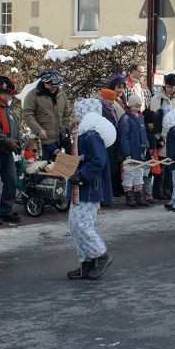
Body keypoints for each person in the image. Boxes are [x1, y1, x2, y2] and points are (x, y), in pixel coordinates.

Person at [66, 98, 115, 280]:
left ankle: (100, 255)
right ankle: (86, 262)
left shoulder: (92, 135)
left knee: (82, 224)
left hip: (89, 187)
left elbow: (98, 160)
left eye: (77, 113)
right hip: (79, 188)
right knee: (74, 224)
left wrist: (82, 175)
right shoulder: (83, 134)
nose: (75, 117)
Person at [0, 76, 22, 225]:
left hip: (7, 151)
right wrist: (7, 141)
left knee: (12, 181)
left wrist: (18, 140)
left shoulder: (7, 109)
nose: (8, 96)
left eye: (9, 93)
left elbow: (14, 126)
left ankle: (5, 210)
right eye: (4, 93)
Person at [22, 68, 72, 161]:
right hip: (42, 143)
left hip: (58, 140)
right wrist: (38, 130)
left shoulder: (61, 94)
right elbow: (27, 115)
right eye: (52, 86)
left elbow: (66, 112)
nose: (54, 88)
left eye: (56, 86)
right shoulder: (33, 95)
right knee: (43, 170)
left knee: (56, 170)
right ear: (45, 83)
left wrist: (66, 128)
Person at [150, 73, 175, 201]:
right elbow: (154, 118)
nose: (170, 89)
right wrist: (158, 136)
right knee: (161, 163)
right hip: (162, 133)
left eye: (173, 87)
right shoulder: (158, 98)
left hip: (173, 134)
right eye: (168, 86)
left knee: (171, 163)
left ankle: (168, 189)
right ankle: (158, 190)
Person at [117, 92, 149, 207]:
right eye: (135, 106)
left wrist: (146, 146)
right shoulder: (125, 119)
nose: (137, 108)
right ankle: (129, 195)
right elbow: (123, 137)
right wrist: (126, 153)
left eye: (139, 106)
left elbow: (144, 134)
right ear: (130, 106)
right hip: (130, 153)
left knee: (139, 173)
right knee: (129, 174)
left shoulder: (140, 118)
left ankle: (138, 193)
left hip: (140, 152)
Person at [100, 75, 128, 200]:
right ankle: (113, 189)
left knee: (118, 162)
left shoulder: (122, 101)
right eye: (118, 87)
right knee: (112, 163)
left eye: (123, 87)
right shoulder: (109, 101)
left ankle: (118, 187)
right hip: (111, 136)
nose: (120, 90)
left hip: (120, 135)